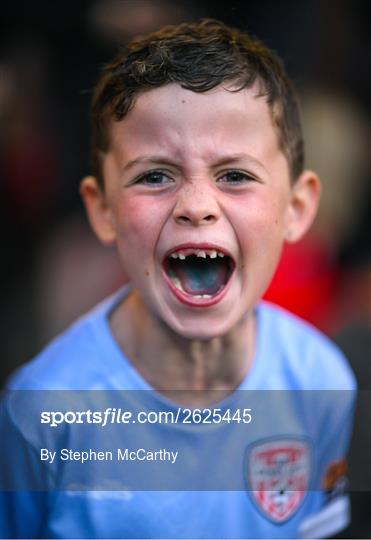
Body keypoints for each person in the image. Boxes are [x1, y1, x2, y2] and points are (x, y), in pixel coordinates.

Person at [0, 19, 356, 539]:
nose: (195, 206)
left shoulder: (320, 382)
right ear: (103, 212)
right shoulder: (41, 412)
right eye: (155, 175)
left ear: (297, 208)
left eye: (235, 175)